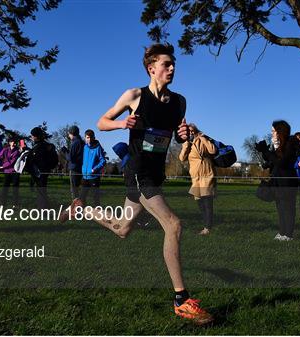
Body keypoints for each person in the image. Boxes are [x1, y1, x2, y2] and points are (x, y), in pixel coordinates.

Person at [60, 44, 213, 325]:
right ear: (151, 68)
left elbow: (177, 137)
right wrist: (123, 124)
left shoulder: (180, 102)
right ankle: (181, 300)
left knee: (122, 229)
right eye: (166, 64)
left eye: (173, 64)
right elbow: (102, 121)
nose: (172, 69)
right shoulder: (135, 95)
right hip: (138, 172)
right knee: (173, 224)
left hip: (156, 174)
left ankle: (81, 209)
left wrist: (185, 133)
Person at [256, 120, 299, 241]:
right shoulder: (278, 144)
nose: (271, 133)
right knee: (280, 208)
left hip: (287, 181)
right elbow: (272, 161)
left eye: (273, 131)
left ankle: (288, 235)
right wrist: (263, 151)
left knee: (288, 209)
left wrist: (266, 151)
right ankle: (282, 232)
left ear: (280, 131)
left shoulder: (290, 143)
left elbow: (281, 163)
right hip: (277, 181)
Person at [179, 123, 217, 235]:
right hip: (195, 178)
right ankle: (207, 224)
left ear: (196, 131)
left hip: (207, 175)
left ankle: (207, 228)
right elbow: (182, 158)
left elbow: (213, 150)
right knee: (200, 203)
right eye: (188, 131)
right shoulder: (187, 144)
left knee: (207, 202)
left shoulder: (202, 140)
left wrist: (203, 138)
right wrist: (186, 144)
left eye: (192, 131)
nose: (190, 133)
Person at [27, 127, 54, 209]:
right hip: (41, 172)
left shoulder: (41, 146)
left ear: (36, 136)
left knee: (41, 191)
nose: (31, 138)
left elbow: (35, 159)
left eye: (32, 136)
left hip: (40, 172)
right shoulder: (42, 145)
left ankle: (43, 209)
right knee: (41, 191)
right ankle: (43, 207)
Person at [79, 129, 106, 206]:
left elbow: (103, 161)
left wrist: (94, 169)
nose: (89, 139)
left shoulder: (98, 148)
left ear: (94, 137)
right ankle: (83, 213)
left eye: (91, 137)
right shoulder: (85, 147)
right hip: (85, 176)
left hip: (94, 177)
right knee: (82, 197)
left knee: (95, 198)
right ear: (85, 138)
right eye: (87, 137)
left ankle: (99, 215)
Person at [0, 137, 21, 207]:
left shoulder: (17, 151)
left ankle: (15, 205)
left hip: (15, 172)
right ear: (9, 143)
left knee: (15, 189)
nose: (14, 143)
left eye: (15, 142)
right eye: (13, 141)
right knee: (5, 188)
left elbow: (11, 162)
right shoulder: (5, 150)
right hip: (7, 172)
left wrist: (1, 167)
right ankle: (2, 204)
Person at [66, 125, 84, 200]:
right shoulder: (81, 142)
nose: (69, 136)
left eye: (69, 134)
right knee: (77, 188)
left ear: (72, 133)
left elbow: (71, 158)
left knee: (74, 190)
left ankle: (76, 207)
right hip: (79, 167)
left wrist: (65, 153)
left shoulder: (75, 143)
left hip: (74, 168)